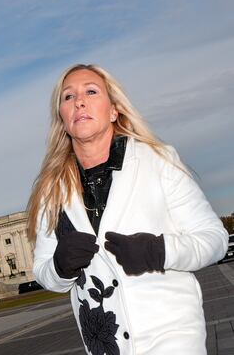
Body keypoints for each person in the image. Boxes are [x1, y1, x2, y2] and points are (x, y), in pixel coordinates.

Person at [27, 64, 228, 355]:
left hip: (172, 336)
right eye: (68, 97)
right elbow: (45, 273)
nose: (79, 101)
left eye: (91, 92)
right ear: (62, 117)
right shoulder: (51, 189)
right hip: (104, 344)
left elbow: (214, 239)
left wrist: (159, 251)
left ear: (113, 110)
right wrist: (60, 266)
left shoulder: (157, 160)